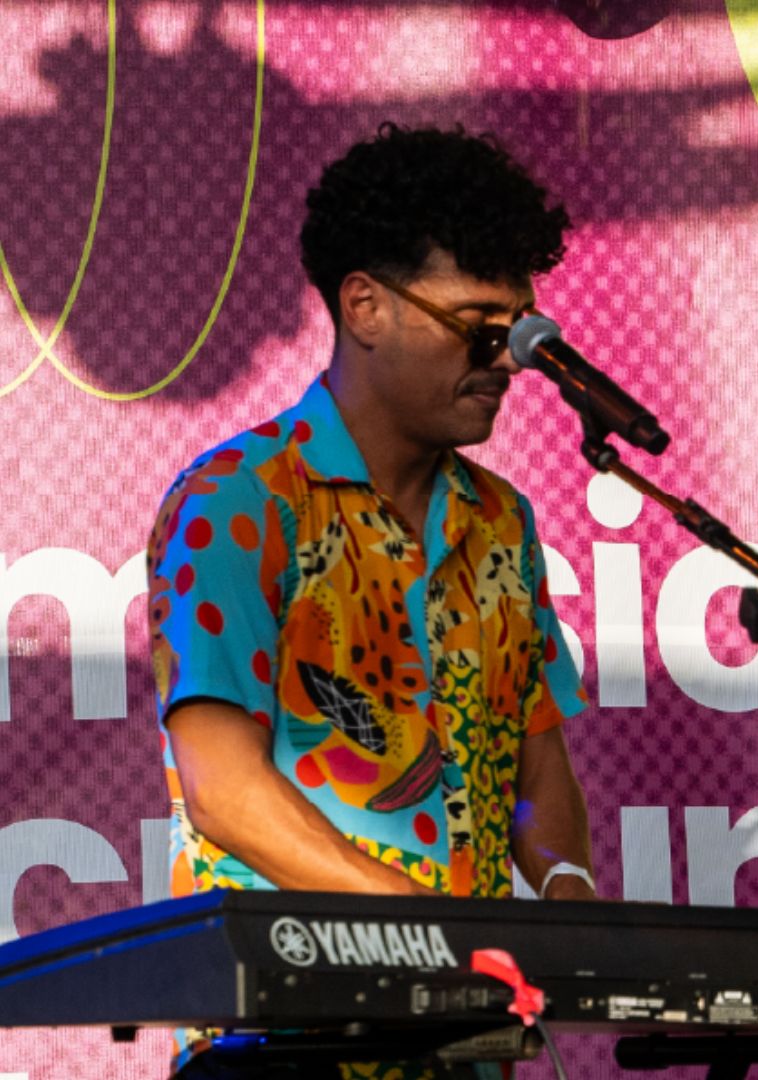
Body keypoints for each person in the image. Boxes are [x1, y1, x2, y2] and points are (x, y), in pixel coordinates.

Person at [146, 124, 595, 1076]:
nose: (508, 358)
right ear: (366, 307)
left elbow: (535, 761)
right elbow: (224, 792)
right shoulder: (241, 502)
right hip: (281, 1035)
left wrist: (566, 888)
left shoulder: (502, 522)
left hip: (467, 1042)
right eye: (480, 325)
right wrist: (434, 935)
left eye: (517, 328)